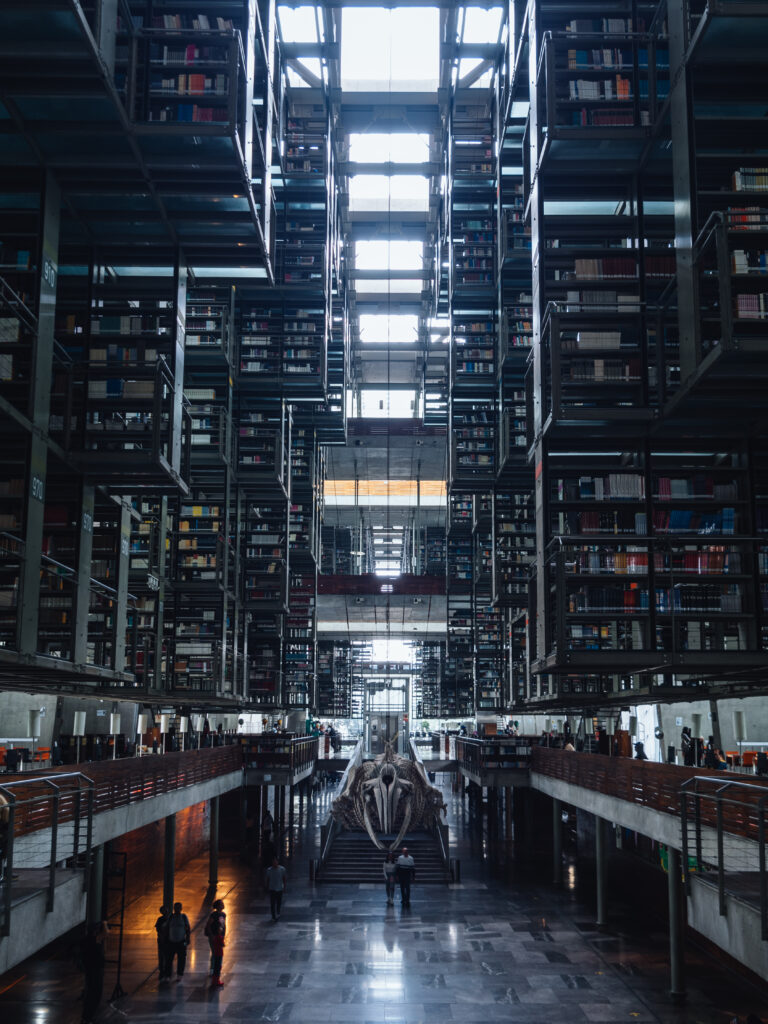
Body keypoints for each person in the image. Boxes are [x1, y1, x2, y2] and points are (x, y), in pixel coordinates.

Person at [79, 921, 108, 1024]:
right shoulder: (95, 940)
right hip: (96, 970)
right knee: (95, 994)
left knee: (89, 993)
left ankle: (86, 1017)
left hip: (89, 969)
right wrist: (104, 923)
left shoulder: (84, 941)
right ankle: (88, 1017)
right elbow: (105, 933)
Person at [204, 898, 227, 988]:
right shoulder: (214, 915)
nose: (223, 904)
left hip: (220, 936)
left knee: (218, 953)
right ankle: (213, 969)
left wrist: (224, 934)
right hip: (214, 936)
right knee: (215, 953)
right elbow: (208, 925)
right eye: (221, 904)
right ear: (218, 906)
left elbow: (224, 925)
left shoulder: (223, 914)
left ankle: (216, 970)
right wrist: (212, 935)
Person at [166, 901, 191, 978]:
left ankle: (179, 974)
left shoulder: (183, 917)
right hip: (171, 941)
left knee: (181, 959)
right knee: (169, 959)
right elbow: (166, 928)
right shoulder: (170, 917)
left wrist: (188, 938)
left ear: (181, 908)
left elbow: (187, 928)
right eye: (175, 908)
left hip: (181, 941)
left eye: (178, 908)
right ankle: (168, 974)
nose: (177, 909)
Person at [266, 855, 287, 921]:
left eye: (276, 862)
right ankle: (273, 915)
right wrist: (267, 886)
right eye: (273, 862)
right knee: (272, 903)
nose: (275, 863)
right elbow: (268, 879)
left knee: (278, 901)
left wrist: (284, 886)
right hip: (272, 888)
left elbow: (284, 878)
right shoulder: (269, 870)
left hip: (279, 888)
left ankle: (278, 911)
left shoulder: (282, 869)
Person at [154, 904, 170, 980]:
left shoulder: (160, 919)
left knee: (164, 956)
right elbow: (158, 930)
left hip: (163, 940)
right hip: (164, 940)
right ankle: (164, 972)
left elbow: (158, 929)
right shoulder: (167, 919)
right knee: (164, 956)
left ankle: (164, 972)